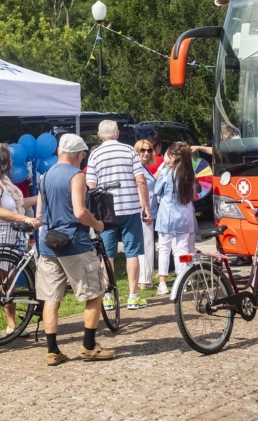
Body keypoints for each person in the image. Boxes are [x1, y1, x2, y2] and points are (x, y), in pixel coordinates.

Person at [35, 134, 114, 365]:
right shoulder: (77, 176)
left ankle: (52, 351)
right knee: (95, 293)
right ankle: (89, 346)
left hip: (48, 244)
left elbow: (39, 214)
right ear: (79, 154)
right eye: (82, 155)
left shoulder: (45, 175)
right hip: (75, 243)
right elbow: (80, 212)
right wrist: (97, 224)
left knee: (51, 297)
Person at [0, 143, 41, 337]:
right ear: (3, 161)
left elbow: (17, 204)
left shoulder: (2, 180)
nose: (13, 163)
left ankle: (12, 326)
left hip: (7, 236)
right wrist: (25, 218)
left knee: (9, 282)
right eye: (10, 159)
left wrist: (40, 196)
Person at [85, 120, 152, 310]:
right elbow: (140, 180)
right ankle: (133, 296)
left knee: (107, 254)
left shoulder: (95, 154)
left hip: (106, 211)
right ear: (117, 133)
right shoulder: (129, 151)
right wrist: (145, 207)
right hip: (130, 208)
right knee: (132, 253)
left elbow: (91, 185)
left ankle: (107, 297)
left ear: (99, 135)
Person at [154, 142, 198, 295]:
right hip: (184, 216)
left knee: (164, 249)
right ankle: (182, 281)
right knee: (182, 249)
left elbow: (156, 190)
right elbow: (193, 194)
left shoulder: (166, 172)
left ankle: (163, 284)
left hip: (167, 215)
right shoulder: (189, 174)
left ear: (172, 156)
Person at [134, 139, 159, 290]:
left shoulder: (144, 168)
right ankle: (145, 280)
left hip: (148, 210)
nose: (146, 153)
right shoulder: (138, 169)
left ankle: (143, 278)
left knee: (145, 244)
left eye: (149, 150)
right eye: (142, 150)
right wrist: (145, 210)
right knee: (147, 244)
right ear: (137, 151)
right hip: (143, 212)